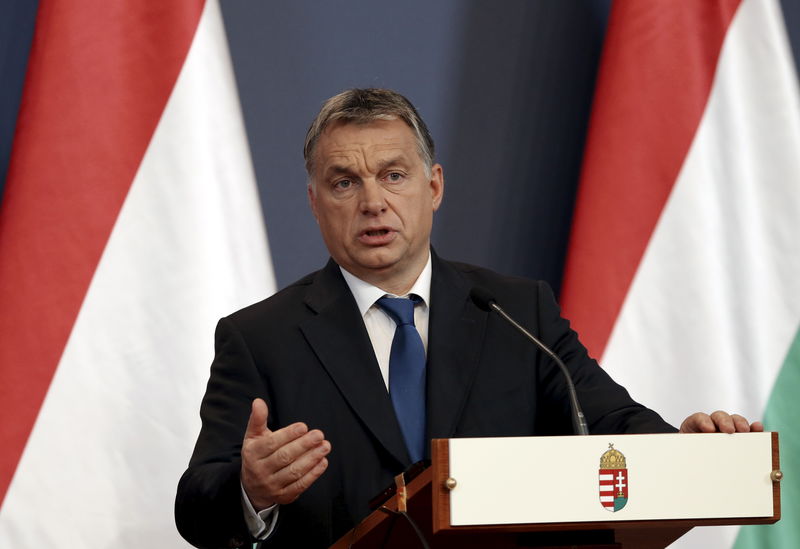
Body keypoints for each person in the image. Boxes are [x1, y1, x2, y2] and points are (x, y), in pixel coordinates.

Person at [175, 88, 762, 549]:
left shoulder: (515, 311)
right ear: (313, 203)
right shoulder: (261, 337)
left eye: (394, 175)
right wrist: (249, 491)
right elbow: (197, 505)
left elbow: (608, 422)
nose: (372, 201)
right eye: (344, 182)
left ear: (433, 186)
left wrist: (680, 452)